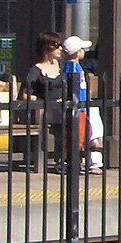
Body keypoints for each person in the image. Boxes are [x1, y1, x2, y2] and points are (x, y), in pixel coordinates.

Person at [61, 35, 104, 174]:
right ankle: (73, 160)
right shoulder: (73, 67)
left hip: (83, 104)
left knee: (84, 131)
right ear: (77, 52)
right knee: (78, 134)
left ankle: (80, 158)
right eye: (82, 49)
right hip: (79, 105)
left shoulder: (72, 66)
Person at [25, 31, 66, 165]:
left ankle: (80, 155)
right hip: (46, 109)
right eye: (56, 45)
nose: (60, 48)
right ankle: (61, 158)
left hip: (64, 106)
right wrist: (42, 102)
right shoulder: (36, 70)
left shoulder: (63, 68)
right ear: (46, 47)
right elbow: (26, 95)